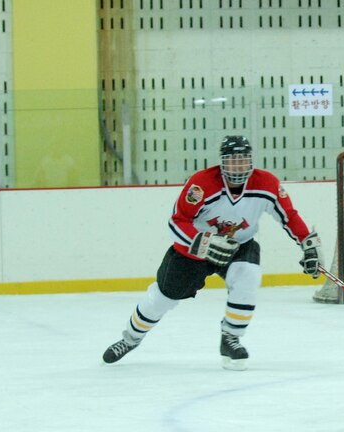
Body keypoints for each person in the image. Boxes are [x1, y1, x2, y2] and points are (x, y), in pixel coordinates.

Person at [102, 135, 321, 371]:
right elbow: (177, 221)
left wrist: (307, 244)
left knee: (248, 275)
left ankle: (230, 338)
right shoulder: (201, 185)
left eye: (243, 160)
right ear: (222, 163)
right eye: (232, 160)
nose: (238, 166)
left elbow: (289, 216)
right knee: (162, 298)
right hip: (193, 251)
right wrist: (203, 241)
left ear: (251, 162)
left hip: (239, 245)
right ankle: (130, 339)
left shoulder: (267, 184)